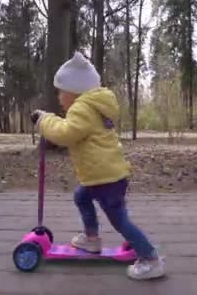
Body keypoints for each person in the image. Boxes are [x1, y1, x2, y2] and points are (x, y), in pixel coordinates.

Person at [31, 52, 165, 280]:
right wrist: (50, 119)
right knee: (81, 197)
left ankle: (151, 259)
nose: (59, 96)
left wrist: (44, 121)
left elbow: (65, 134)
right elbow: (72, 128)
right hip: (102, 175)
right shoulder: (91, 108)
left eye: (60, 91)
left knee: (119, 220)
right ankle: (91, 238)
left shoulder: (82, 109)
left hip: (105, 178)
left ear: (74, 92)